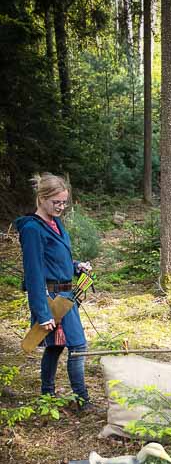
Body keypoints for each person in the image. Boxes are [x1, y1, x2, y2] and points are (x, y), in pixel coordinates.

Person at [16, 172, 93, 410]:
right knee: (78, 346)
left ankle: (47, 395)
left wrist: (75, 266)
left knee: (55, 346)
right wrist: (43, 312)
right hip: (51, 298)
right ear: (41, 198)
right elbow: (34, 272)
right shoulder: (32, 228)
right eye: (56, 202)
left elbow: (54, 260)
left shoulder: (54, 222)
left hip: (66, 295)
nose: (61, 207)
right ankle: (82, 401)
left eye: (64, 202)